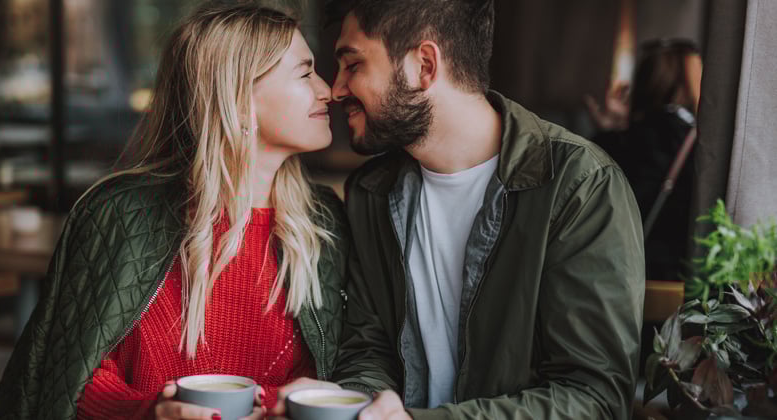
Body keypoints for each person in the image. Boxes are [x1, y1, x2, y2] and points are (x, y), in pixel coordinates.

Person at [270, 0, 646, 419]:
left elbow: (594, 397)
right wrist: (357, 405)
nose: (337, 89)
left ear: (424, 65)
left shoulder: (579, 186)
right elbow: (368, 349)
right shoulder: (371, 192)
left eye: (353, 65)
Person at [0, 3, 351, 420]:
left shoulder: (323, 222)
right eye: (305, 74)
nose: (329, 90)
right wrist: (152, 412)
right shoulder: (121, 215)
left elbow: (337, 375)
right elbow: (72, 381)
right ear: (238, 97)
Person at [592, 39, 702, 281]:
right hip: (678, 275)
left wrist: (608, 132)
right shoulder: (699, 142)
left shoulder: (625, 139)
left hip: (617, 269)